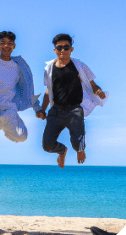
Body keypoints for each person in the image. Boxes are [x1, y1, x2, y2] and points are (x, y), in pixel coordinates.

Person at [36, 34, 108, 168]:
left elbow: (93, 85)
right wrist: (43, 109)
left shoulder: (79, 65)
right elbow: (48, 91)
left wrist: (98, 91)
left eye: (66, 47)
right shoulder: (49, 69)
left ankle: (80, 149)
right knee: (47, 145)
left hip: (75, 111)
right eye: (59, 48)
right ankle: (62, 151)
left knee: (77, 144)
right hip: (56, 111)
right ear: (55, 50)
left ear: (71, 49)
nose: (63, 50)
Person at [0, 31, 42, 144]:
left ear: (14, 46)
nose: (6, 46)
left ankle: (6, 127)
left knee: (22, 137)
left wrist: (37, 108)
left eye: (10, 43)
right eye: (3, 43)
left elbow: (28, 89)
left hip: (9, 110)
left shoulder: (19, 66)